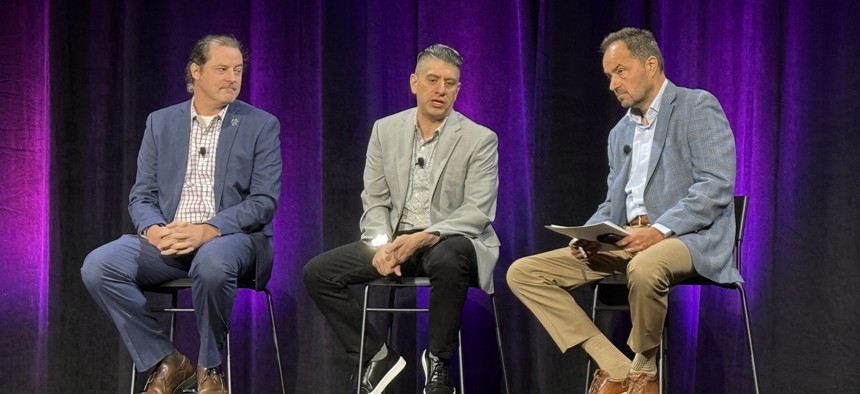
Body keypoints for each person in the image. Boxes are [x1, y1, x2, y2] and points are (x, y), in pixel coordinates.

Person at [507, 27, 738, 394]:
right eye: (608, 76)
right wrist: (587, 234)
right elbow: (613, 202)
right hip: (627, 238)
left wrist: (660, 230)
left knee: (645, 266)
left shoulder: (696, 106)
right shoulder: (620, 133)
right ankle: (615, 365)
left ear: (650, 64)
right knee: (524, 273)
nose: (613, 84)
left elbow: (716, 185)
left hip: (687, 237)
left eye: (620, 71)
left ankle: (645, 370)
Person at [81, 34, 281, 394]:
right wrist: (154, 230)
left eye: (237, 70)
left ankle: (209, 366)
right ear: (196, 71)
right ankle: (169, 361)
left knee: (212, 261)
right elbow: (141, 196)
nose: (232, 78)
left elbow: (263, 202)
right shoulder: (161, 123)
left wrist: (208, 230)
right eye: (221, 69)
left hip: (232, 241)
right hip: (169, 241)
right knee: (99, 266)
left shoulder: (260, 125)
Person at [303, 44, 499, 394]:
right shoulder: (385, 130)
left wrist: (425, 237)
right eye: (433, 80)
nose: (441, 89)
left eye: (450, 83)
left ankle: (438, 364)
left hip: (448, 240)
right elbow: (375, 200)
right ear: (414, 83)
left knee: (451, 256)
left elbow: (477, 211)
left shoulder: (479, 138)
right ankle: (376, 357)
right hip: (396, 240)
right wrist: (381, 245)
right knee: (319, 273)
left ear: (458, 89)